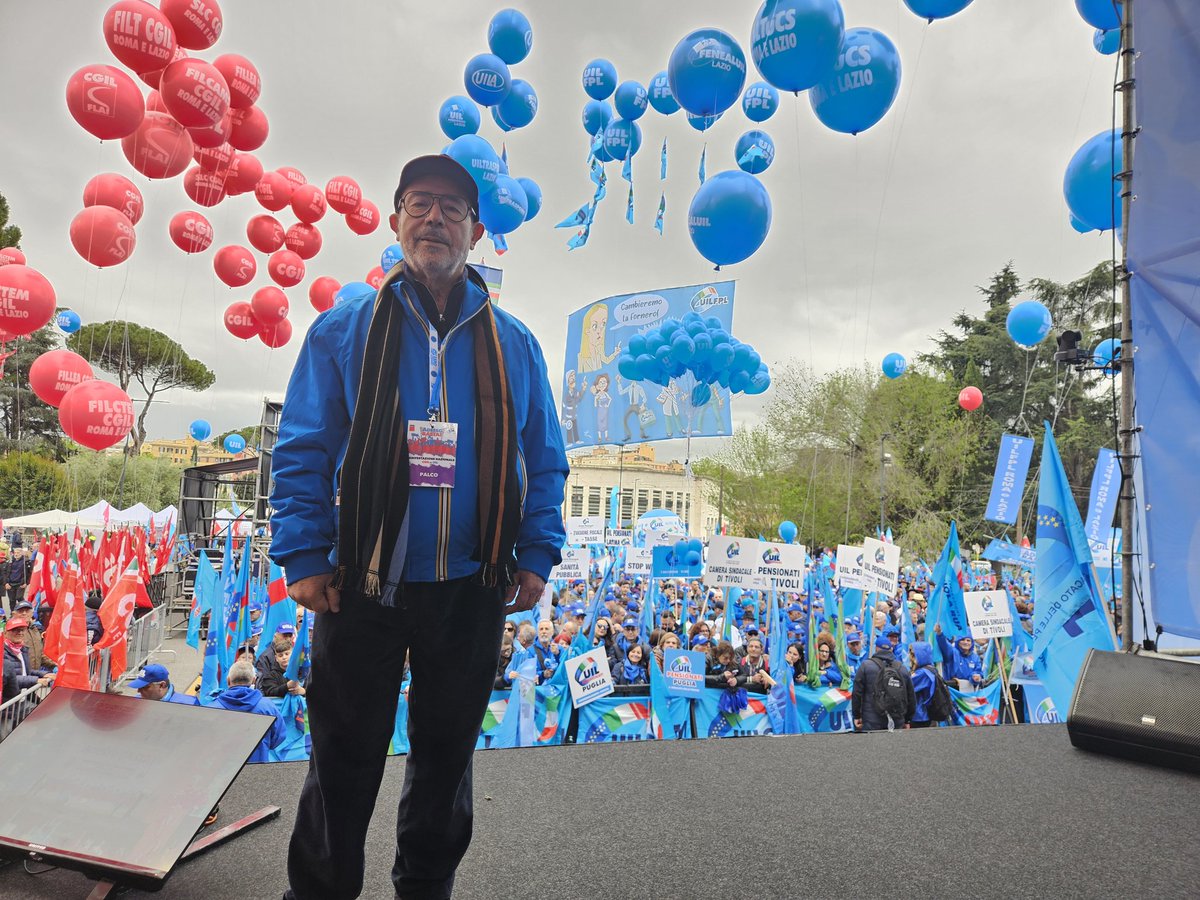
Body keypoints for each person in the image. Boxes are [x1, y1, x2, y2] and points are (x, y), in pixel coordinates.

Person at [270, 153, 569, 900]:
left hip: (471, 584)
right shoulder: (343, 331)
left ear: (475, 231)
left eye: (452, 208)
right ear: (396, 219)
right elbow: (302, 448)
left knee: (445, 758)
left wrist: (537, 552)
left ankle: (426, 888)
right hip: (359, 582)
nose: (434, 218)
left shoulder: (515, 343)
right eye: (419, 203)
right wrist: (303, 553)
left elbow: (545, 459)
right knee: (341, 756)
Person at [212, 660, 287, 763]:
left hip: (222, 767)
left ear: (228, 681)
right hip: (258, 766)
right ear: (254, 681)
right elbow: (278, 738)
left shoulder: (212, 708)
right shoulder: (268, 707)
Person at [852, 635, 915, 733]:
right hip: (896, 720)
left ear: (876, 648)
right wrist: (907, 720)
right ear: (891, 649)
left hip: (871, 721)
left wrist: (857, 716)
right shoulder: (902, 668)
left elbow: (857, 693)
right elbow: (911, 697)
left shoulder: (866, 666)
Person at [2, 619, 52, 701]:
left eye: (22, 630)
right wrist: (35, 680)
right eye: (15, 630)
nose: (20, 633)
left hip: (23, 697)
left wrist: (44, 674)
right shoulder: (2, 652)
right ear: (5, 632)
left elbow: (26, 671)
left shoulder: (22, 649)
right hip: (10, 702)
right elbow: (10, 679)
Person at [934, 625, 984, 690]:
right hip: (952, 690)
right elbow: (944, 644)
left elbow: (978, 672)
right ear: (958, 641)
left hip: (969, 692)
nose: (965, 642)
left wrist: (975, 677)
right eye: (962, 640)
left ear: (972, 643)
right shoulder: (952, 652)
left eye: (968, 640)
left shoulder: (975, 657)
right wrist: (940, 633)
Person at [129, 663, 199, 706]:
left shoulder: (189, 705)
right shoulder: (137, 701)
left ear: (162, 685)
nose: (138, 691)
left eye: (145, 687)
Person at [8, 601, 49, 671]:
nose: (24, 613)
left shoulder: (35, 630)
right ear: (14, 614)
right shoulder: (10, 631)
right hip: (19, 674)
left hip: (35, 673)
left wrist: (55, 664)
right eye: (20, 611)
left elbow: (40, 654)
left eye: (27, 611)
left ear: (32, 613)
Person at [909, 641, 938, 728]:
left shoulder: (922, 673)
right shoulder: (930, 669)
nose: (910, 657)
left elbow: (908, 687)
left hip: (920, 715)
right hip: (924, 714)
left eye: (913, 655)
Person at [256, 633, 293, 698]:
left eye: (287, 654)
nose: (284, 657)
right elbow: (270, 692)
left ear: (292, 655)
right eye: (280, 655)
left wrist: (303, 691)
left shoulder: (300, 672)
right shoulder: (270, 675)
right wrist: (287, 686)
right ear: (276, 658)